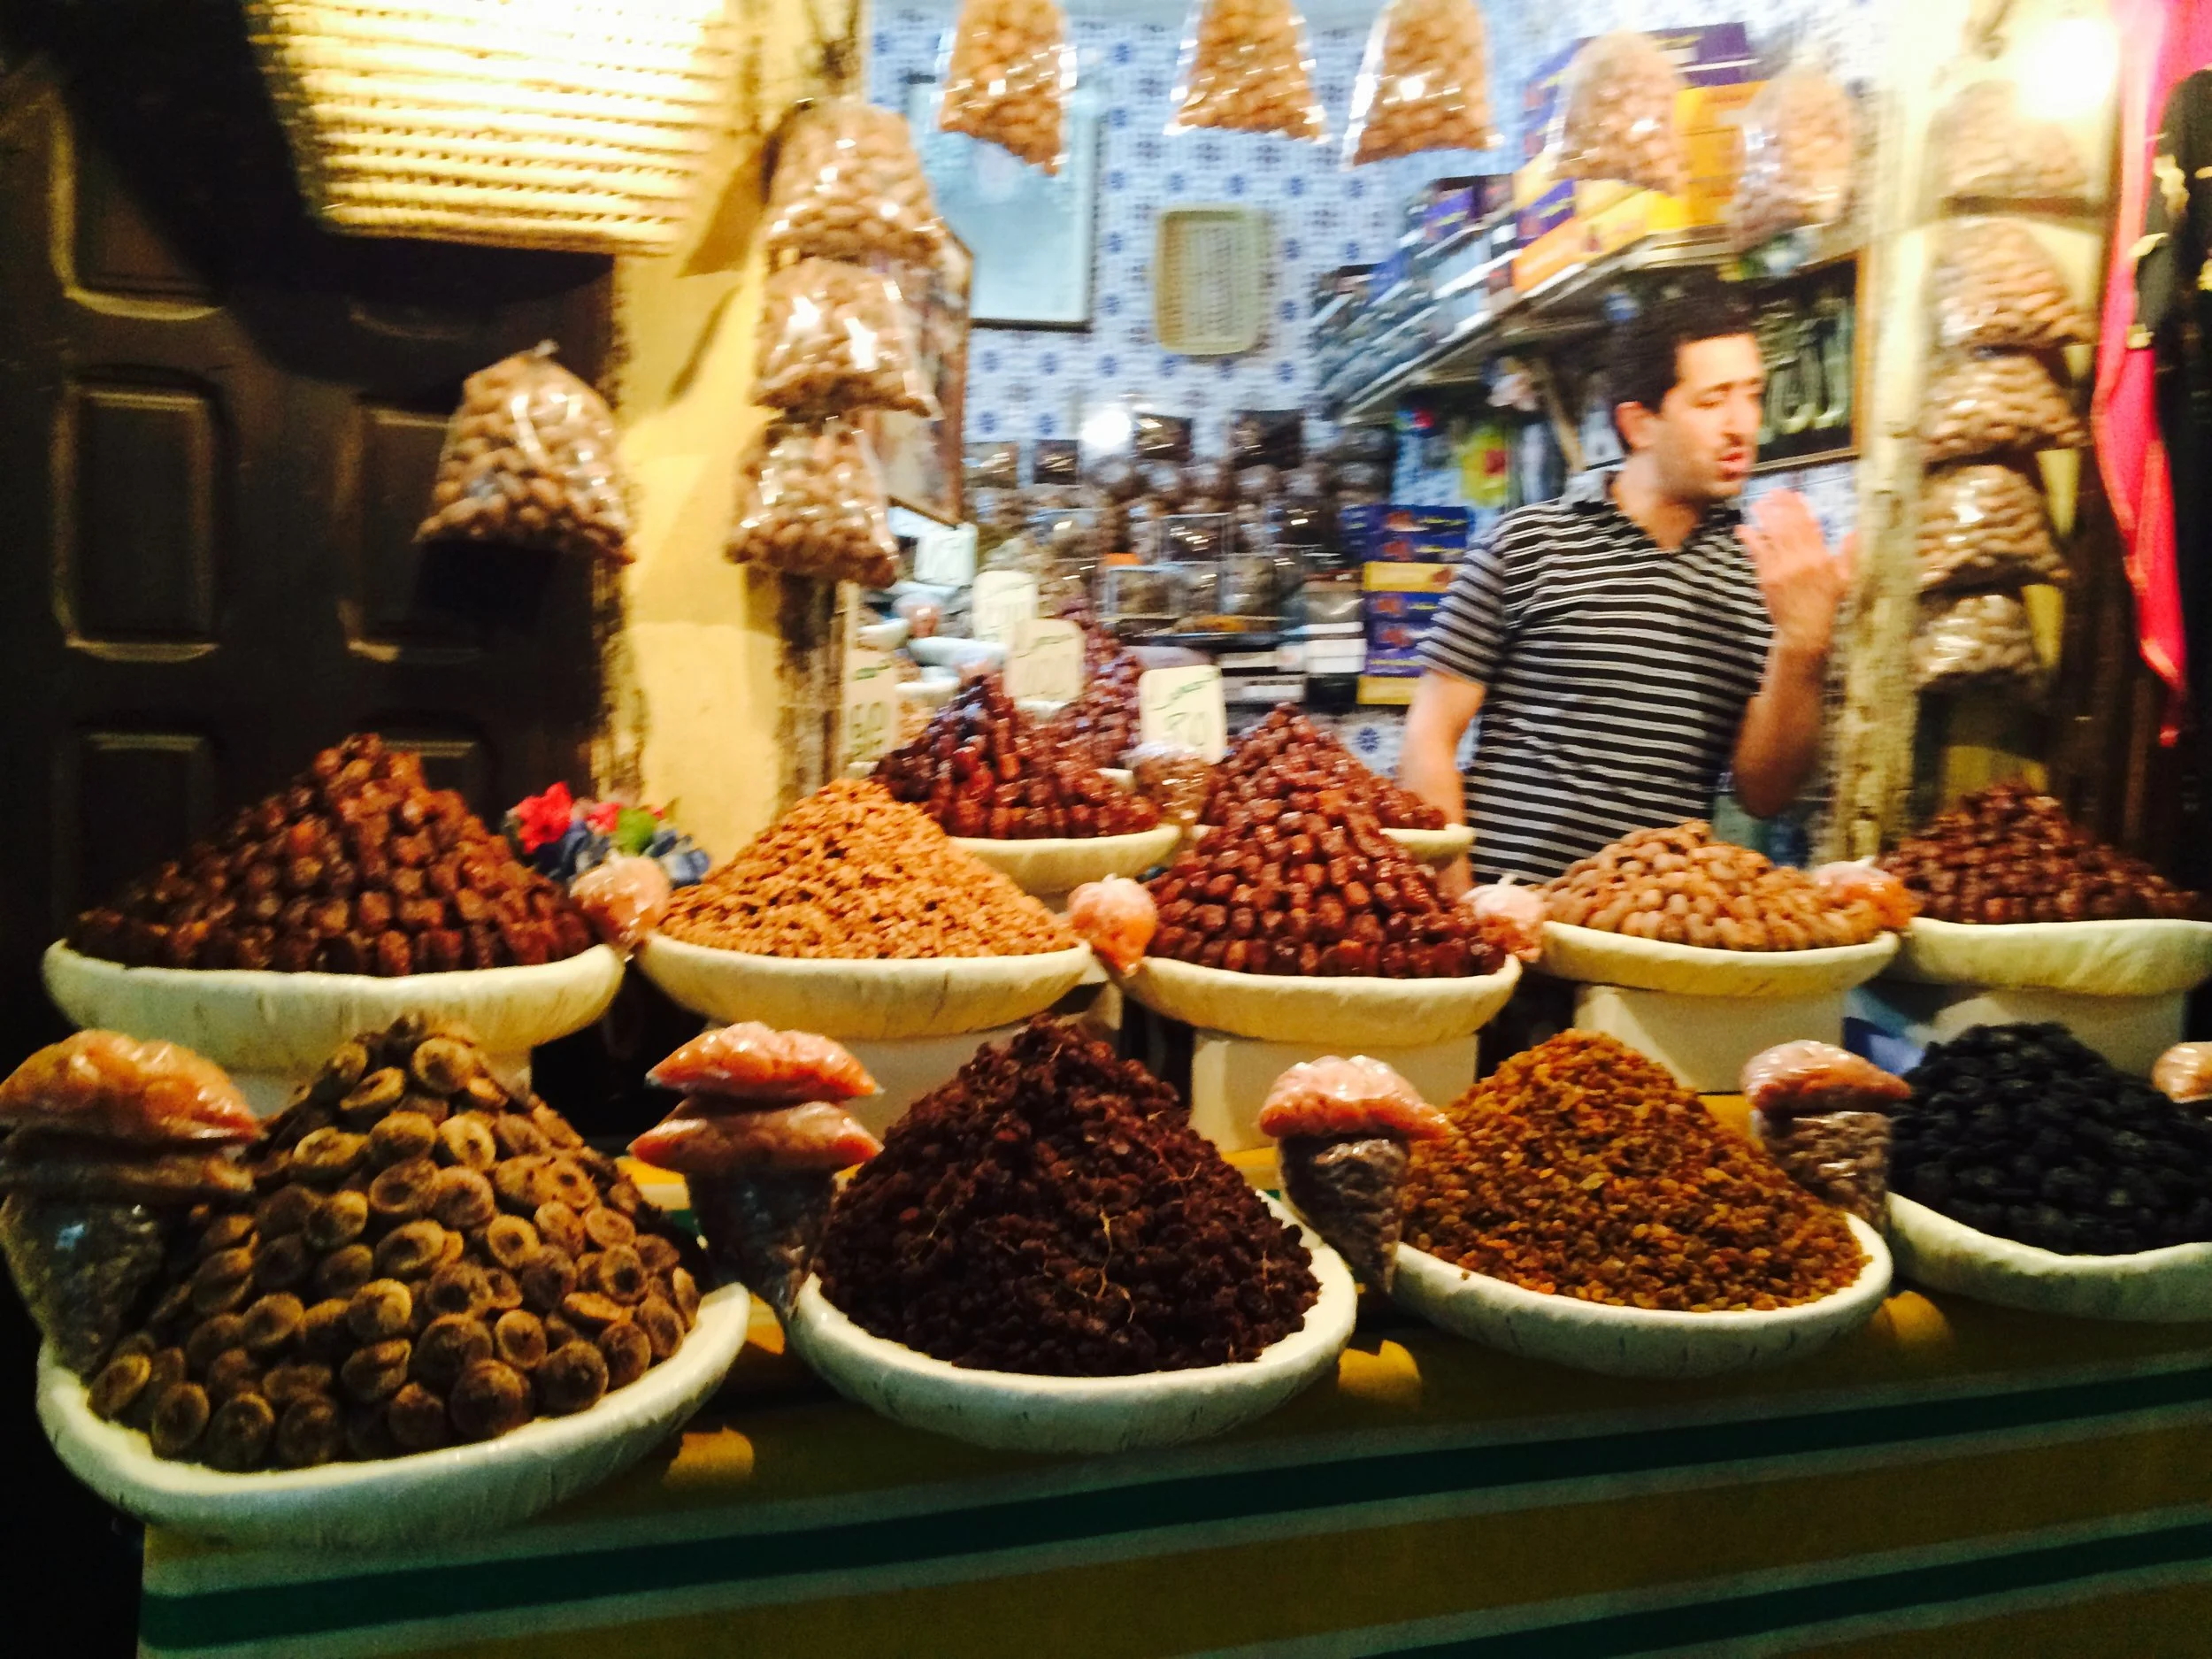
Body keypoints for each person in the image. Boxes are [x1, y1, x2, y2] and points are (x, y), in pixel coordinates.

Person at [1397, 284, 1857, 895]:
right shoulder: (1529, 544)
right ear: (1639, 424)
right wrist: (1460, 909)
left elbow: (1764, 793)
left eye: (1752, 395)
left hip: (1653, 929)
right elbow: (1428, 739)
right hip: (1509, 919)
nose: (1742, 425)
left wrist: (1803, 646)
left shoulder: (1758, 572)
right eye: (1712, 400)